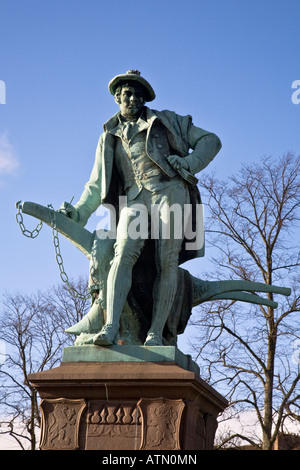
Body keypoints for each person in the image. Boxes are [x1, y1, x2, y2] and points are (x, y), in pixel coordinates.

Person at [59, 70, 221, 346]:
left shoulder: (168, 120)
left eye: (137, 94)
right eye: (126, 94)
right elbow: (97, 184)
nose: (132, 99)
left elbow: (211, 141)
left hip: (169, 192)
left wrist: (189, 164)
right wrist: (77, 213)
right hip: (134, 199)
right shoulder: (108, 135)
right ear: (116, 98)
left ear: (144, 98)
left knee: (166, 260)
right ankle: (110, 327)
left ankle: (156, 333)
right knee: (122, 254)